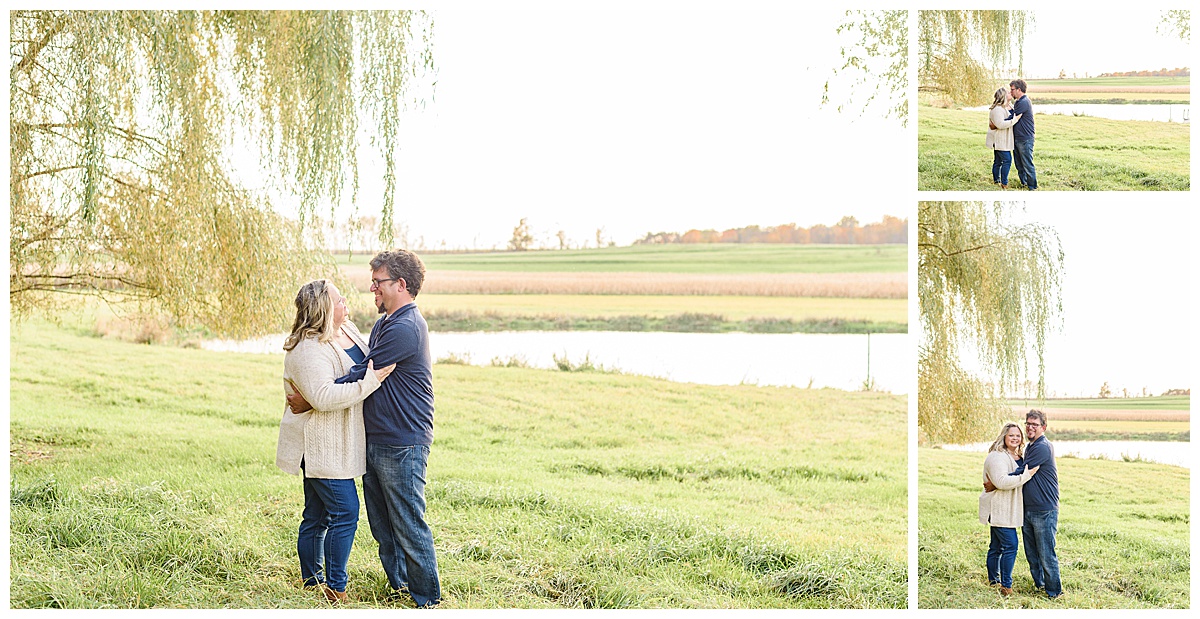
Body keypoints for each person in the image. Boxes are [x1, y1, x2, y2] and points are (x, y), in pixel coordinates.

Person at [289, 250, 442, 607]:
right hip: (378, 439)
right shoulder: (386, 320)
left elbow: (364, 372)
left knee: (407, 522)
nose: (372, 288)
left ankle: (427, 599)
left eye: (379, 282)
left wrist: (315, 397)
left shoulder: (405, 327)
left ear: (400, 285)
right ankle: (400, 585)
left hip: (402, 441)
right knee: (383, 524)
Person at [275, 279, 395, 603]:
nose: (346, 304)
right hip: (319, 444)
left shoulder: (349, 330)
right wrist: (371, 382)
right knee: (345, 511)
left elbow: (350, 371)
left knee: (317, 514)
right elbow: (324, 396)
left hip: (338, 437)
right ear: (324, 310)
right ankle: (334, 589)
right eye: (339, 300)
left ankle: (312, 580)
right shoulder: (307, 349)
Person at [986, 409, 1061, 599]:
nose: (1030, 427)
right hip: (1028, 509)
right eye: (1028, 423)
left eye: (1035, 424)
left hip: (1044, 508)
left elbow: (1023, 471)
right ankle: (1040, 584)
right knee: (1032, 553)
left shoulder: (1043, 446)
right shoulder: (1030, 447)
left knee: (1046, 553)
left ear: (1043, 427)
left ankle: (1054, 592)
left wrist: (997, 482)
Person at [979, 422, 1039, 596]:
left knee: (996, 546)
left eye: (1018, 435)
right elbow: (1002, 482)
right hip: (999, 507)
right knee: (1011, 545)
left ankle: (993, 580)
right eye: (1011, 435)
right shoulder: (997, 456)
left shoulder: (1018, 455)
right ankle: (1005, 586)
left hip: (1009, 507)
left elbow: (1004, 481)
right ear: (1004, 436)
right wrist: (1027, 475)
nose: (1015, 438)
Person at [986, 88, 1023, 189]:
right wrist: (1015, 120)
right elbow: (1000, 124)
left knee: (998, 160)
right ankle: (1004, 183)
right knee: (1007, 160)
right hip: (1000, 139)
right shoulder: (998, 109)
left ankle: (996, 180)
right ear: (1003, 96)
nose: (1010, 93)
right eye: (1008, 92)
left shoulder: (1008, 106)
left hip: (1004, 138)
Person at [1009, 79, 1038, 190]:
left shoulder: (1023, 102)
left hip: (1025, 138)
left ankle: (1032, 186)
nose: (1011, 92)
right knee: (1019, 163)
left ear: (1019, 89)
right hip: (1018, 138)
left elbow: (1012, 117)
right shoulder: (1019, 102)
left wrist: (998, 121)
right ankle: (1024, 183)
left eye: (1012, 90)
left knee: (1027, 163)